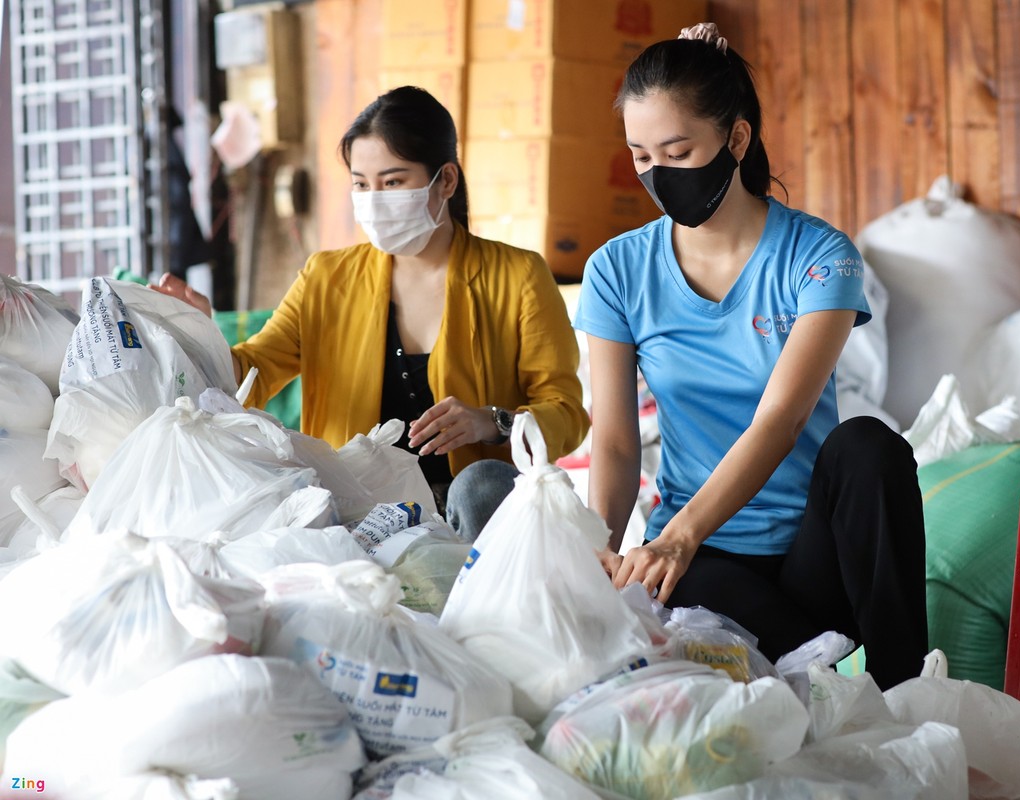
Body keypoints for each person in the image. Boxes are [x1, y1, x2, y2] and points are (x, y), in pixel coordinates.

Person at [575, 23, 927, 690]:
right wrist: (601, 549)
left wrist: (678, 534)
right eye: (642, 157)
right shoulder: (616, 270)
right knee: (748, 639)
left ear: (735, 140)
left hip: (814, 558)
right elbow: (616, 443)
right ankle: (819, 676)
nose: (658, 175)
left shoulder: (819, 257)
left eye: (678, 151)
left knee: (869, 447)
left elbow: (782, 420)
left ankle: (903, 689)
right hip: (704, 562)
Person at [156, 86, 589, 539]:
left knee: (482, 486)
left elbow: (567, 413)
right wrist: (197, 332)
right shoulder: (326, 279)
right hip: (362, 516)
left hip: (476, 521)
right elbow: (251, 374)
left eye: (393, 182)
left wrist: (493, 421)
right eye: (362, 184)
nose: (374, 199)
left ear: (445, 180)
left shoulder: (517, 275)